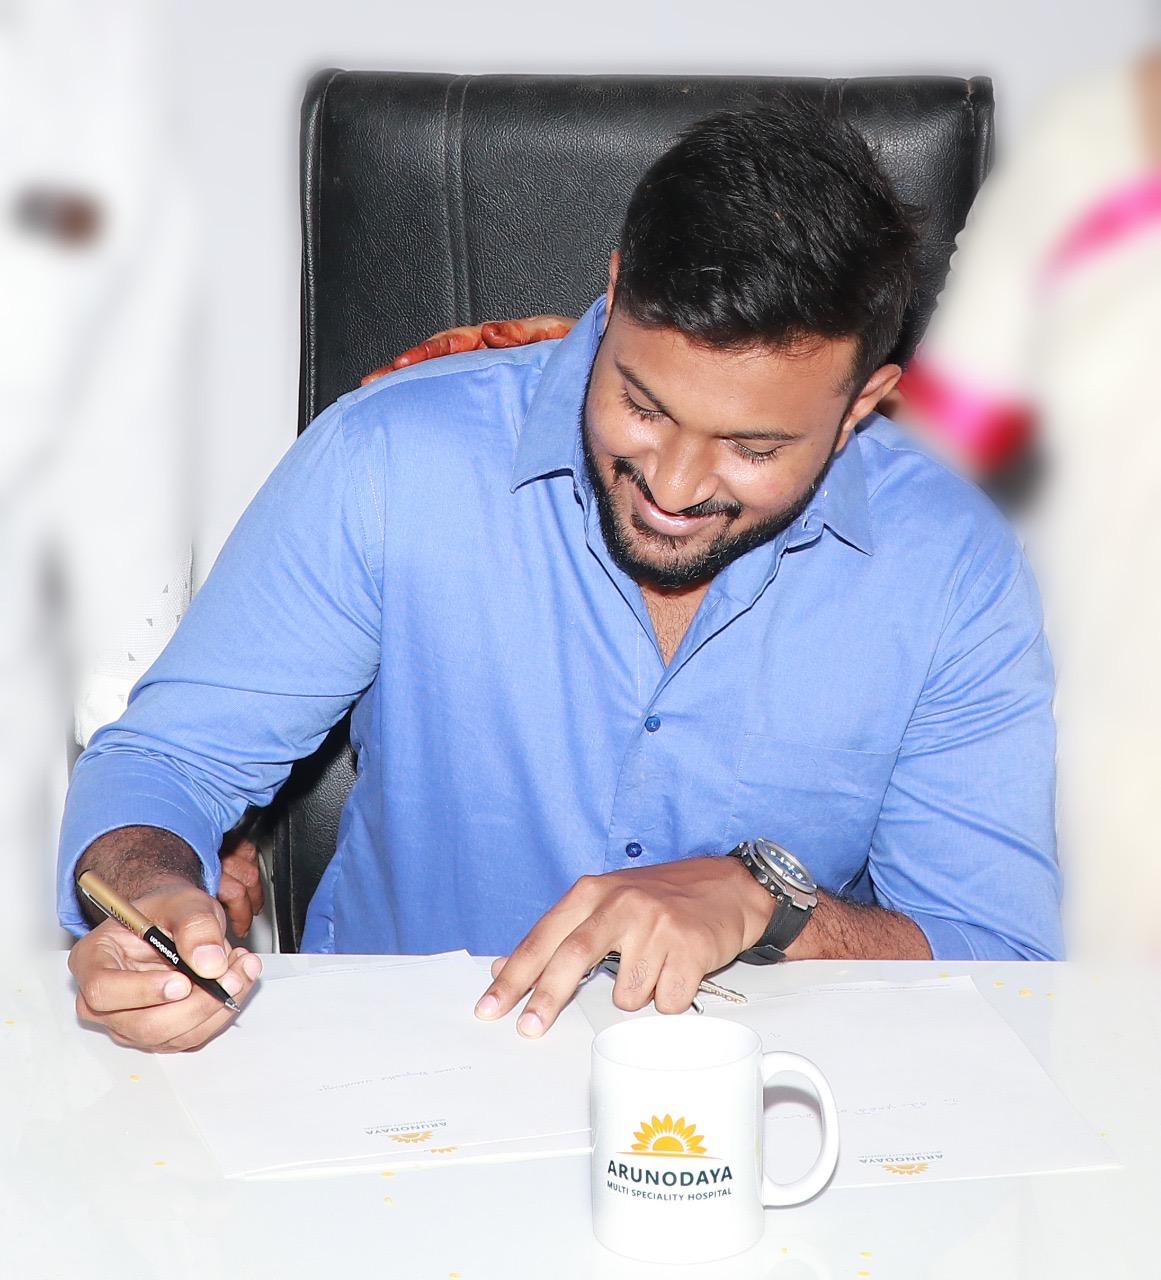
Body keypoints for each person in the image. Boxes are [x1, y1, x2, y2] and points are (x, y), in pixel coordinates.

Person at [58, 103, 1061, 1054]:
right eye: (644, 406)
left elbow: (999, 962)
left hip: (766, 1100)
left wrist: (771, 905)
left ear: (860, 406)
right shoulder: (388, 461)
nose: (674, 487)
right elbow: (167, 762)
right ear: (612, 294)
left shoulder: (949, 563)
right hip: (398, 1086)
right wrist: (149, 897)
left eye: (752, 447)